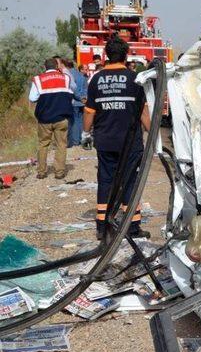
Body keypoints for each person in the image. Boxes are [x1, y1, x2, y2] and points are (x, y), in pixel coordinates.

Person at [83, 36, 151, 240]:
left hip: (105, 140)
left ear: (106, 55)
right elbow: (144, 114)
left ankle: (103, 227)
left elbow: (89, 112)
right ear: (126, 55)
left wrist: (86, 132)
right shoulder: (134, 80)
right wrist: (153, 137)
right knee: (130, 182)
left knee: (106, 181)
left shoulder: (96, 79)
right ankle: (132, 227)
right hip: (130, 143)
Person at [28, 58, 73, 179]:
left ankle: (42, 172)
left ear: (45, 67)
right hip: (61, 117)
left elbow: (32, 98)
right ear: (57, 66)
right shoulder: (66, 78)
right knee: (61, 145)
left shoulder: (38, 79)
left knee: (43, 144)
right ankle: (59, 172)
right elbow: (70, 92)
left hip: (44, 118)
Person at [67, 61, 88, 147]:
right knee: (80, 120)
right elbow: (85, 89)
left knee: (74, 121)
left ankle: (75, 141)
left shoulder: (70, 75)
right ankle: (80, 139)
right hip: (82, 101)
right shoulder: (82, 76)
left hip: (74, 101)